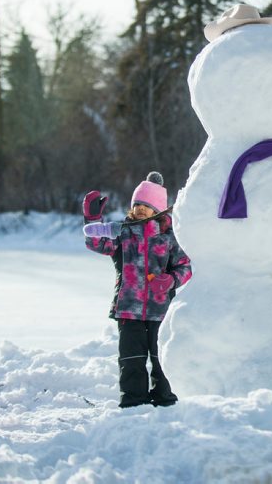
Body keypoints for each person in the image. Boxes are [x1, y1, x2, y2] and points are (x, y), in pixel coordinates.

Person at [82, 172, 192, 408]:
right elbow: (95, 241)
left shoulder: (169, 238)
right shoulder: (123, 232)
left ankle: (165, 398)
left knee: (161, 356)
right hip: (128, 308)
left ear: (159, 210)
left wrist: (170, 280)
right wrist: (92, 219)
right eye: (138, 204)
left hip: (161, 309)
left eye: (147, 205)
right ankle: (133, 401)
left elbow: (185, 266)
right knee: (131, 358)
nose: (141, 209)